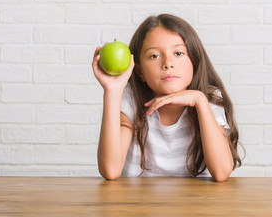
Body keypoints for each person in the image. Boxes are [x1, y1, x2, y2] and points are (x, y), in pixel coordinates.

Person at [92, 14, 242, 182]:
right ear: (140, 71)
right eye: (154, 56)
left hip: (197, 203)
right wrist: (112, 90)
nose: (168, 63)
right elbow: (110, 170)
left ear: (194, 60)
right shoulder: (132, 100)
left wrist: (200, 101)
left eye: (178, 53)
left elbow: (221, 172)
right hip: (141, 205)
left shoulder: (209, 99)